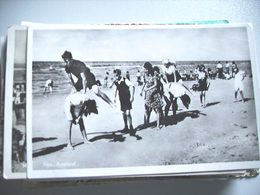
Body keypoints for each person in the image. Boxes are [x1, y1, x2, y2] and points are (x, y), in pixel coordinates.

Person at [141, 62, 164, 129]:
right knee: (146, 109)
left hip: (155, 93)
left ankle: (158, 125)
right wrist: (141, 90)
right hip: (148, 94)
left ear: (148, 68)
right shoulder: (144, 74)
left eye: (145, 69)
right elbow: (145, 83)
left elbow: (156, 84)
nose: (144, 70)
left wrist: (148, 89)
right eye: (144, 69)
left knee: (157, 110)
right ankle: (146, 123)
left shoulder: (154, 73)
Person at [113, 69, 135, 135]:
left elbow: (133, 86)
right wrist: (114, 97)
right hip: (121, 99)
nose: (116, 77)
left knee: (128, 113)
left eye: (116, 75)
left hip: (127, 99)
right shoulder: (116, 82)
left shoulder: (125, 80)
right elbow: (115, 90)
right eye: (115, 76)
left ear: (119, 74)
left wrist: (132, 96)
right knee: (123, 113)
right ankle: (126, 127)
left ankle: (131, 127)